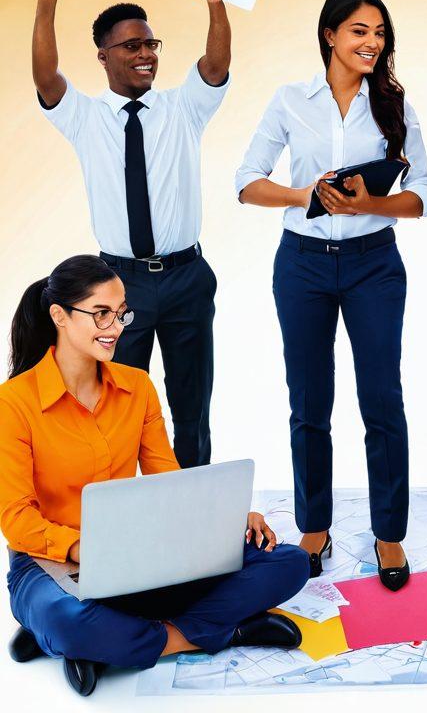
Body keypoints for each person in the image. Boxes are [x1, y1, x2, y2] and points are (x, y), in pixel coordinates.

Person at [0, 256, 310, 697]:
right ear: (59, 316)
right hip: (48, 564)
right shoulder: (13, 403)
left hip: (139, 556)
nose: (115, 327)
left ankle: (112, 644)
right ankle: (227, 630)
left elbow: (169, 481)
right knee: (66, 619)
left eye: (121, 313)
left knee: (290, 563)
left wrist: (229, 519)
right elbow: (16, 518)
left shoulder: (137, 386)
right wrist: (82, 548)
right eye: (101, 313)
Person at [235, 0, 427, 589]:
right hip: (303, 265)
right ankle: (314, 527)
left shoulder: (394, 105)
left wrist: (370, 203)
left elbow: (424, 195)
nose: (372, 42)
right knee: (309, 401)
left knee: (382, 401)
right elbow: (246, 182)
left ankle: (389, 534)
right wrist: (304, 195)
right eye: (359, 31)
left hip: (375, 265)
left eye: (379, 32)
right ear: (329, 34)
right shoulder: (290, 101)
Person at [32, 0, 233, 469]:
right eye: (131, 46)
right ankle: (125, 507)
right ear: (103, 56)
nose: (146, 54)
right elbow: (46, 79)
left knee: (192, 407)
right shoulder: (85, 118)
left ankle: (192, 505)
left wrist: (216, 6)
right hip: (120, 284)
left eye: (151, 44)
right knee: (116, 406)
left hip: (187, 277)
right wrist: (48, 1)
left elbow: (215, 65)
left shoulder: (183, 108)